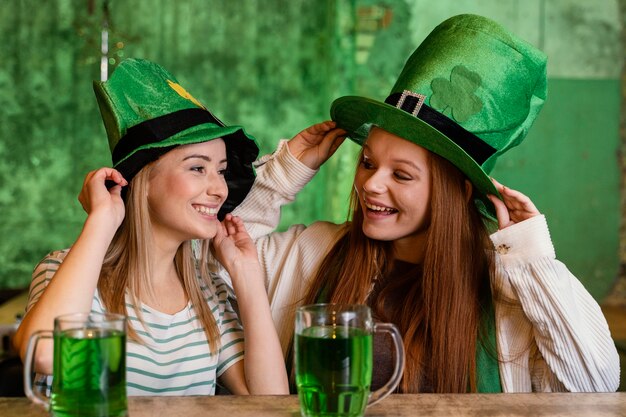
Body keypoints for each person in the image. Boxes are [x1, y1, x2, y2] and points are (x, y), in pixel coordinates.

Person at [227, 14, 621, 393]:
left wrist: (533, 260)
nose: (371, 184)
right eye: (368, 162)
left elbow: (591, 386)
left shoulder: (509, 288)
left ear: (459, 192)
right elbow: (206, 265)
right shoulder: (313, 253)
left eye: (401, 175)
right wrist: (280, 178)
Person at [13, 58, 289, 396]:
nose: (220, 189)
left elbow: (269, 401)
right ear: (143, 182)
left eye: (220, 170)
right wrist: (101, 221)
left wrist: (246, 274)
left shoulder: (209, 293)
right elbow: (44, 355)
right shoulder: (62, 270)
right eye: (197, 168)